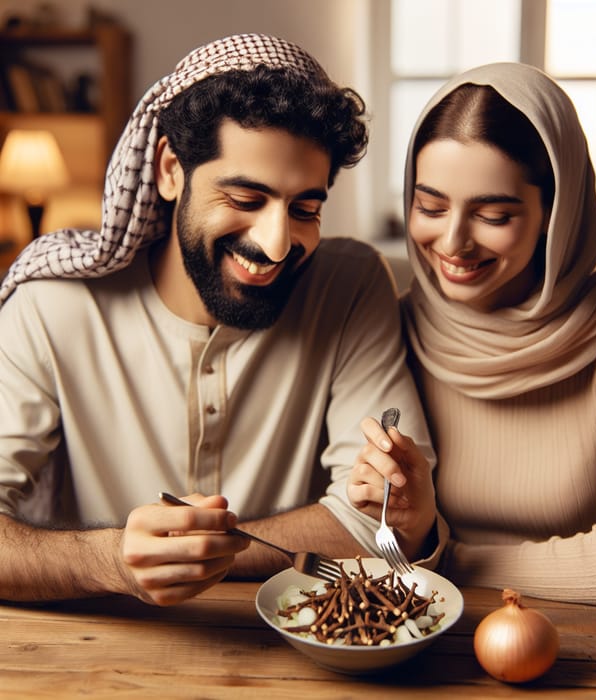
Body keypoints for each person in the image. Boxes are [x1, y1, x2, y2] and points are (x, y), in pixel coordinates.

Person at [0, 34, 437, 606]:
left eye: (305, 209)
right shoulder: (52, 303)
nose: (277, 244)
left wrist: (200, 551)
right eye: (245, 199)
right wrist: (110, 559)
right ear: (170, 171)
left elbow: (377, 525)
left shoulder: (350, 285)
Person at [348, 62, 596, 607]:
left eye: (493, 214)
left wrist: (435, 552)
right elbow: (358, 532)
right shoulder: (391, 324)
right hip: (431, 636)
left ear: (555, 214)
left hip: (595, 647)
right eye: (430, 206)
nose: (453, 242)